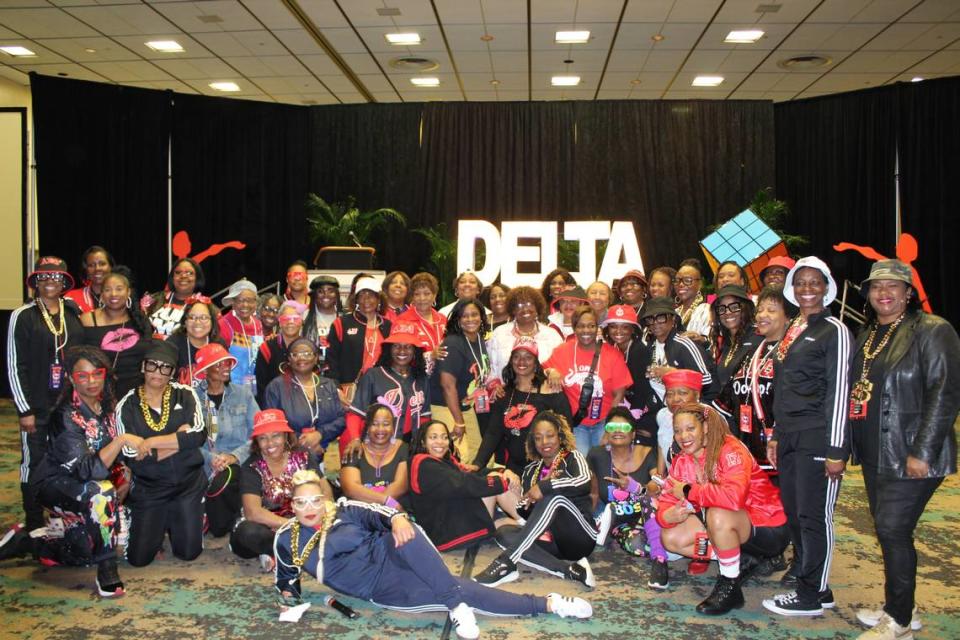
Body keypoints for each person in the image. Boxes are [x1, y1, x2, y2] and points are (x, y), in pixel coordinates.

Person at [274, 471, 593, 640]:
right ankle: (549, 603)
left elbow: (382, 514)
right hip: (382, 588)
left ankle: (454, 605)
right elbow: (288, 585)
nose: (310, 509)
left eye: (316, 500)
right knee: (461, 589)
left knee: (403, 528)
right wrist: (287, 599)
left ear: (325, 498)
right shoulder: (285, 539)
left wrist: (396, 517)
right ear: (292, 504)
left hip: (397, 552)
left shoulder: (345, 509)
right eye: (301, 503)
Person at [849, 259, 960, 640]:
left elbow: (944, 393)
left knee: (893, 530)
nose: (884, 292)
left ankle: (897, 620)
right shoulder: (867, 334)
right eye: (877, 286)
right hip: (874, 450)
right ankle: (905, 607)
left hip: (910, 451)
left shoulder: (933, 330)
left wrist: (923, 452)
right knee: (890, 531)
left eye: (893, 286)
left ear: (908, 292)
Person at [763, 256, 852, 617]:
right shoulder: (795, 329)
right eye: (801, 283)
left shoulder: (836, 330)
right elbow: (783, 388)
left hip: (818, 437)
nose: (807, 289)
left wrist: (836, 449)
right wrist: (776, 435)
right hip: (791, 437)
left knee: (816, 516)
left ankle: (810, 594)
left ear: (827, 286)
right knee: (797, 514)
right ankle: (817, 585)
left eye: (815, 282)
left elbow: (840, 392)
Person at [15, 346, 139, 596]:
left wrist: (124, 474)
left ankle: (34, 541)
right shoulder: (66, 415)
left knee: (83, 552)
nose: (91, 381)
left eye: (97, 373)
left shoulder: (108, 404)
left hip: (89, 482)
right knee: (101, 494)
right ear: (71, 378)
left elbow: (112, 457)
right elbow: (86, 470)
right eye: (83, 376)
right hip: (56, 484)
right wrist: (121, 440)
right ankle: (107, 570)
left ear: (106, 375)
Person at [658, 403, 789, 615]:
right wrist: (668, 515)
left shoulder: (731, 449)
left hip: (768, 525)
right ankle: (741, 558)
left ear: (706, 427)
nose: (683, 436)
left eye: (690, 428)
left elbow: (732, 498)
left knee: (717, 514)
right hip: (732, 525)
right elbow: (667, 498)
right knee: (671, 537)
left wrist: (690, 490)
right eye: (678, 430)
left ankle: (730, 585)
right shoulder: (682, 459)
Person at [474, 411, 597, 589]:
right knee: (504, 534)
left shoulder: (573, 457)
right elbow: (527, 512)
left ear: (560, 436)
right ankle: (569, 569)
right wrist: (524, 500)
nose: (544, 442)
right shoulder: (531, 470)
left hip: (579, 536)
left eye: (550, 436)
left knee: (553, 498)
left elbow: (583, 482)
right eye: (538, 438)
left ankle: (506, 562)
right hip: (551, 541)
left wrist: (545, 487)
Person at [7, 256, 85, 532]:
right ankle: (32, 524)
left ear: (65, 282)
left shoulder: (74, 314)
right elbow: (15, 365)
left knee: (68, 461)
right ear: (35, 283)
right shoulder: (23, 316)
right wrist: (24, 410)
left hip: (68, 408)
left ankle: (63, 521)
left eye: (55, 277)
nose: (49, 281)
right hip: (36, 409)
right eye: (43, 277)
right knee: (34, 463)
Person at [115, 340, 206, 567]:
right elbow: (129, 452)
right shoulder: (127, 404)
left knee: (188, 553)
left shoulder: (185, 394)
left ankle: (181, 518)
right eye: (152, 365)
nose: (158, 371)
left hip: (187, 483)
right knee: (138, 559)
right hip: (150, 486)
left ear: (172, 372)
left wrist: (151, 442)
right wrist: (178, 440)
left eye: (165, 367)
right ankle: (148, 518)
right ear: (143, 367)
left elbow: (198, 435)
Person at [232, 409, 331, 570]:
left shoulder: (303, 456)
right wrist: (295, 527)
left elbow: (325, 490)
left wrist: (318, 517)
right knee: (248, 533)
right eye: (263, 438)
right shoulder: (250, 467)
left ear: (286, 436)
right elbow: (253, 512)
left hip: (304, 519)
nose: (270, 444)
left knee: (338, 519)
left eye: (276, 436)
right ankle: (295, 550)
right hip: (268, 526)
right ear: (256, 442)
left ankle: (278, 554)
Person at [408, 420, 521, 551]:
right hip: (447, 533)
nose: (440, 442)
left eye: (444, 437)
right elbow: (463, 483)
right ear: (423, 441)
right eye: (433, 437)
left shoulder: (442, 461)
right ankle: (530, 522)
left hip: (453, 524)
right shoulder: (423, 463)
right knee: (499, 482)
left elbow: (472, 473)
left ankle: (530, 525)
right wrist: (502, 481)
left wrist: (506, 472)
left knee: (510, 522)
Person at [587, 407, 666, 589]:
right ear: (606, 432)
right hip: (621, 523)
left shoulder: (646, 452)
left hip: (647, 511)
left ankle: (660, 554)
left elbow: (656, 486)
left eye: (624, 428)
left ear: (633, 434)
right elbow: (590, 489)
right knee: (637, 547)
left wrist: (635, 488)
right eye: (613, 427)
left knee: (647, 502)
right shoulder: (596, 454)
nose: (617, 431)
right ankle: (613, 519)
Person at [471, 339, 571, 475]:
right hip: (514, 469)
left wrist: (555, 468)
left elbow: (566, 432)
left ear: (536, 362)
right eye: (517, 357)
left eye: (528, 357)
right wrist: (477, 464)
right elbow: (493, 433)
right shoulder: (504, 393)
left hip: (545, 468)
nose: (521, 362)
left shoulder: (551, 390)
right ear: (511, 361)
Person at [544, 306, 632, 453]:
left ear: (597, 327)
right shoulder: (562, 351)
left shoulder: (612, 354)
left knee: (603, 465)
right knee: (582, 467)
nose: (586, 331)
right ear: (574, 328)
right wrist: (550, 371)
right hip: (575, 424)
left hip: (603, 422)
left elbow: (619, 394)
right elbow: (540, 370)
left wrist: (609, 428)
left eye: (591, 326)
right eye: (581, 326)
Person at [192, 343, 259, 537]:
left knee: (227, 480)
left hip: (240, 461)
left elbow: (258, 432)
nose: (226, 367)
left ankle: (231, 520)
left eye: (227, 362)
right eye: (218, 364)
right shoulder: (192, 398)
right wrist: (209, 458)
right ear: (205, 370)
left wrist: (234, 456)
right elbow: (187, 439)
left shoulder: (243, 394)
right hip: (204, 463)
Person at [721, 286, 789, 475]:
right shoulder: (750, 354)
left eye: (772, 310)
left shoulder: (791, 353)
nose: (762, 315)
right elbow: (726, 399)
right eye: (760, 310)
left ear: (788, 317)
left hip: (779, 450)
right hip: (748, 449)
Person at [342, 323, 431, 457]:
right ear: (389, 349)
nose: (402, 351)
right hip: (376, 444)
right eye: (396, 346)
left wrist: (423, 443)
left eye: (408, 347)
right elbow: (356, 412)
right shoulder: (373, 375)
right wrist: (355, 438)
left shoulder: (421, 378)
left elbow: (425, 417)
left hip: (411, 447)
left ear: (415, 351)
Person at [262, 338, 344, 457]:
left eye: (307, 353)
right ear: (289, 360)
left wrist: (320, 434)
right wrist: (304, 444)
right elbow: (272, 425)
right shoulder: (276, 387)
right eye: (295, 354)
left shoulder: (328, 385)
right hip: (291, 455)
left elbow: (341, 419)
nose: (301, 358)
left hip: (330, 454)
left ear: (316, 358)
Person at [431, 301, 491, 463]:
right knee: (460, 456)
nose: (470, 319)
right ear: (457, 320)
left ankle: (476, 487)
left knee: (481, 456)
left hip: (465, 406)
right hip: (446, 406)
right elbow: (447, 385)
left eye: (474, 314)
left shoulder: (479, 339)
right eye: (464, 316)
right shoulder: (453, 343)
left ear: (481, 317)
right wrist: (458, 421)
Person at [80, 272, 152, 398]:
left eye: (119, 289)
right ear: (101, 295)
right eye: (108, 290)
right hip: (98, 392)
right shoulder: (87, 320)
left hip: (136, 394)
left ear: (128, 292)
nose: (114, 294)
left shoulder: (140, 320)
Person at [641, 297, 718, 414]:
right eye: (650, 319)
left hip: (691, 411)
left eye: (661, 317)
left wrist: (675, 374)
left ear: (673, 319)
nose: (655, 323)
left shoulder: (684, 344)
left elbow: (707, 382)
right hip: (662, 410)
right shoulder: (650, 346)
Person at [325, 276, 391, 406]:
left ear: (379, 299)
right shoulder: (341, 324)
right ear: (356, 300)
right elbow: (331, 362)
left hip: (382, 391)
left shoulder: (388, 326)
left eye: (371, 295)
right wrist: (337, 389)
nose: (366, 300)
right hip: (349, 392)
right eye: (362, 295)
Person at [487, 286, 563, 386]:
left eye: (529, 303)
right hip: (506, 396)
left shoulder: (552, 335)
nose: (525, 309)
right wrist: (493, 385)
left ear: (537, 307)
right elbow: (490, 368)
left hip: (543, 397)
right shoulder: (499, 334)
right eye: (519, 305)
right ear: (512, 310)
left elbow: (561, 367)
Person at [339, 404, 410, 509]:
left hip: (393, 514)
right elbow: (351, 489)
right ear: (367, 427)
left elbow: (401, 485)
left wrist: (381, 507)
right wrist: (388, 502)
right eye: (374, 424)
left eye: (386, 424)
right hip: (360, 513)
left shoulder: (402, 448)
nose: (380, 429)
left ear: (393, 428)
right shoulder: (355, 450)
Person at [600, 304, 657, 432]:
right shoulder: (611, 349)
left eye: (625, 327)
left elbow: (643, 388)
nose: (618, 331)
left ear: (633, 330)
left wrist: (633, 415)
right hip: (620, 404)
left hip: (642, 409)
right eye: (613, 326)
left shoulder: (639, 350)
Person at [255, 300, 306, 405]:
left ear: (301, 321)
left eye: (295, 319)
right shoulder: (267, 348)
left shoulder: (308, 349)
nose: (290, 323)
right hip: (273, 404)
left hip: (303, 405)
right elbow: (261, 386)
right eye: (285, 319)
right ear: (279, 322)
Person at [218, 279, 264, 393]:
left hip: (255, 387)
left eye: (250, 300)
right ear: (232, 303)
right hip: (231, 388)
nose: (245, 305)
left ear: (256, 302)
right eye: (240, 300)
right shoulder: (224, 324)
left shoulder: (257, 323)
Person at [709, 284, 758, 391]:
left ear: (745, 308)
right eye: (722, 309)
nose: (727, 312)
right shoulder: (724, 342)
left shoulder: (757, 337)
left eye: (734, 307)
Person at [396, 272, 447, 373]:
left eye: (427, 293)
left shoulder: (443, 319)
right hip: (415, 378)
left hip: (443, 378)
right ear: (412, 297)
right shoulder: (403, 321)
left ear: (434, 295)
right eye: (417, 294)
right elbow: (399, 354)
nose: (422, 298)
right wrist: (431, 355)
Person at [143, 258, 205, 339]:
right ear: (172, 277)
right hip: (150, 350)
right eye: (178, 272)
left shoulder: (205, 307)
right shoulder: (153, 300)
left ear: (197, 278)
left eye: (189, 273)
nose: (183, 276)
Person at [167, 296, 223, 385]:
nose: (197, 322)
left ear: (212, 321)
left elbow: (225, 381)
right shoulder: (172, 345)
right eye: (192, 317)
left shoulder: (219, 345)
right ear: (185, 322)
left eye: (204, 317)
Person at [301, 274, 341, 362]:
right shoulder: (303, 317)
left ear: (336, 295)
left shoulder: (344, 319)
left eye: (331, 291)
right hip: (312, 369)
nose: (326, 295)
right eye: (320, 291)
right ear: (314, 295)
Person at [65, 245, 114, 313]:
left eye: (102, 264)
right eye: (91, 265)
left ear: (110, 267)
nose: (97, 269)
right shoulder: (71, 298)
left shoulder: (123, 295)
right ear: (86, 270)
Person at [674, 259, 711, 338]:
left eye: (687, 280)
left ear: (700, 284)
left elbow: (711, 342)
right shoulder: (674, 313)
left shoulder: (706, 310)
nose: (681, 284)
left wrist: (700, 339)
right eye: (677, 280)